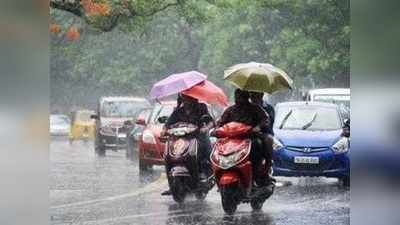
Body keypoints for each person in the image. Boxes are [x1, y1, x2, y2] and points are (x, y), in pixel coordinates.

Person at [217, 89, 270, 186]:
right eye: (237, 96)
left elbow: (265, 119)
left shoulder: (255, 109)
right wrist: (217, 129)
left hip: (249, 138)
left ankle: (257, 173)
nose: (239, 99)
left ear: (247, 97)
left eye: (242, 96)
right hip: (232, 140)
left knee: (258, 145)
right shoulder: (230, 110)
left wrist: (257, 127)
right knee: (217, 147)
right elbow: (221, 122)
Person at [163, 93, 215, 178]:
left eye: (188, 97)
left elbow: (211, 122)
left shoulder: (202, 107)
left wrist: (206, 128)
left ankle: (208, 173)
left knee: (208, 152)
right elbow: (168, 123)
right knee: (170, 155)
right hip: (181, 139)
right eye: (184, 97)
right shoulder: (178, 111)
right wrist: (164, 130)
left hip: (198, 137)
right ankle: (171, 181)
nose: (186, 100)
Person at [250, 92, 276, 184]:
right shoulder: (246, 108)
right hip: (247, 134)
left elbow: (268, 123)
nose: (253, 97)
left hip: (263, 134)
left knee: (268, 140)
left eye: (256, 95)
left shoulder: (268, 108)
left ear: (261, 95)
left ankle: (266, 169)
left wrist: (259, 127)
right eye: (252, 95)